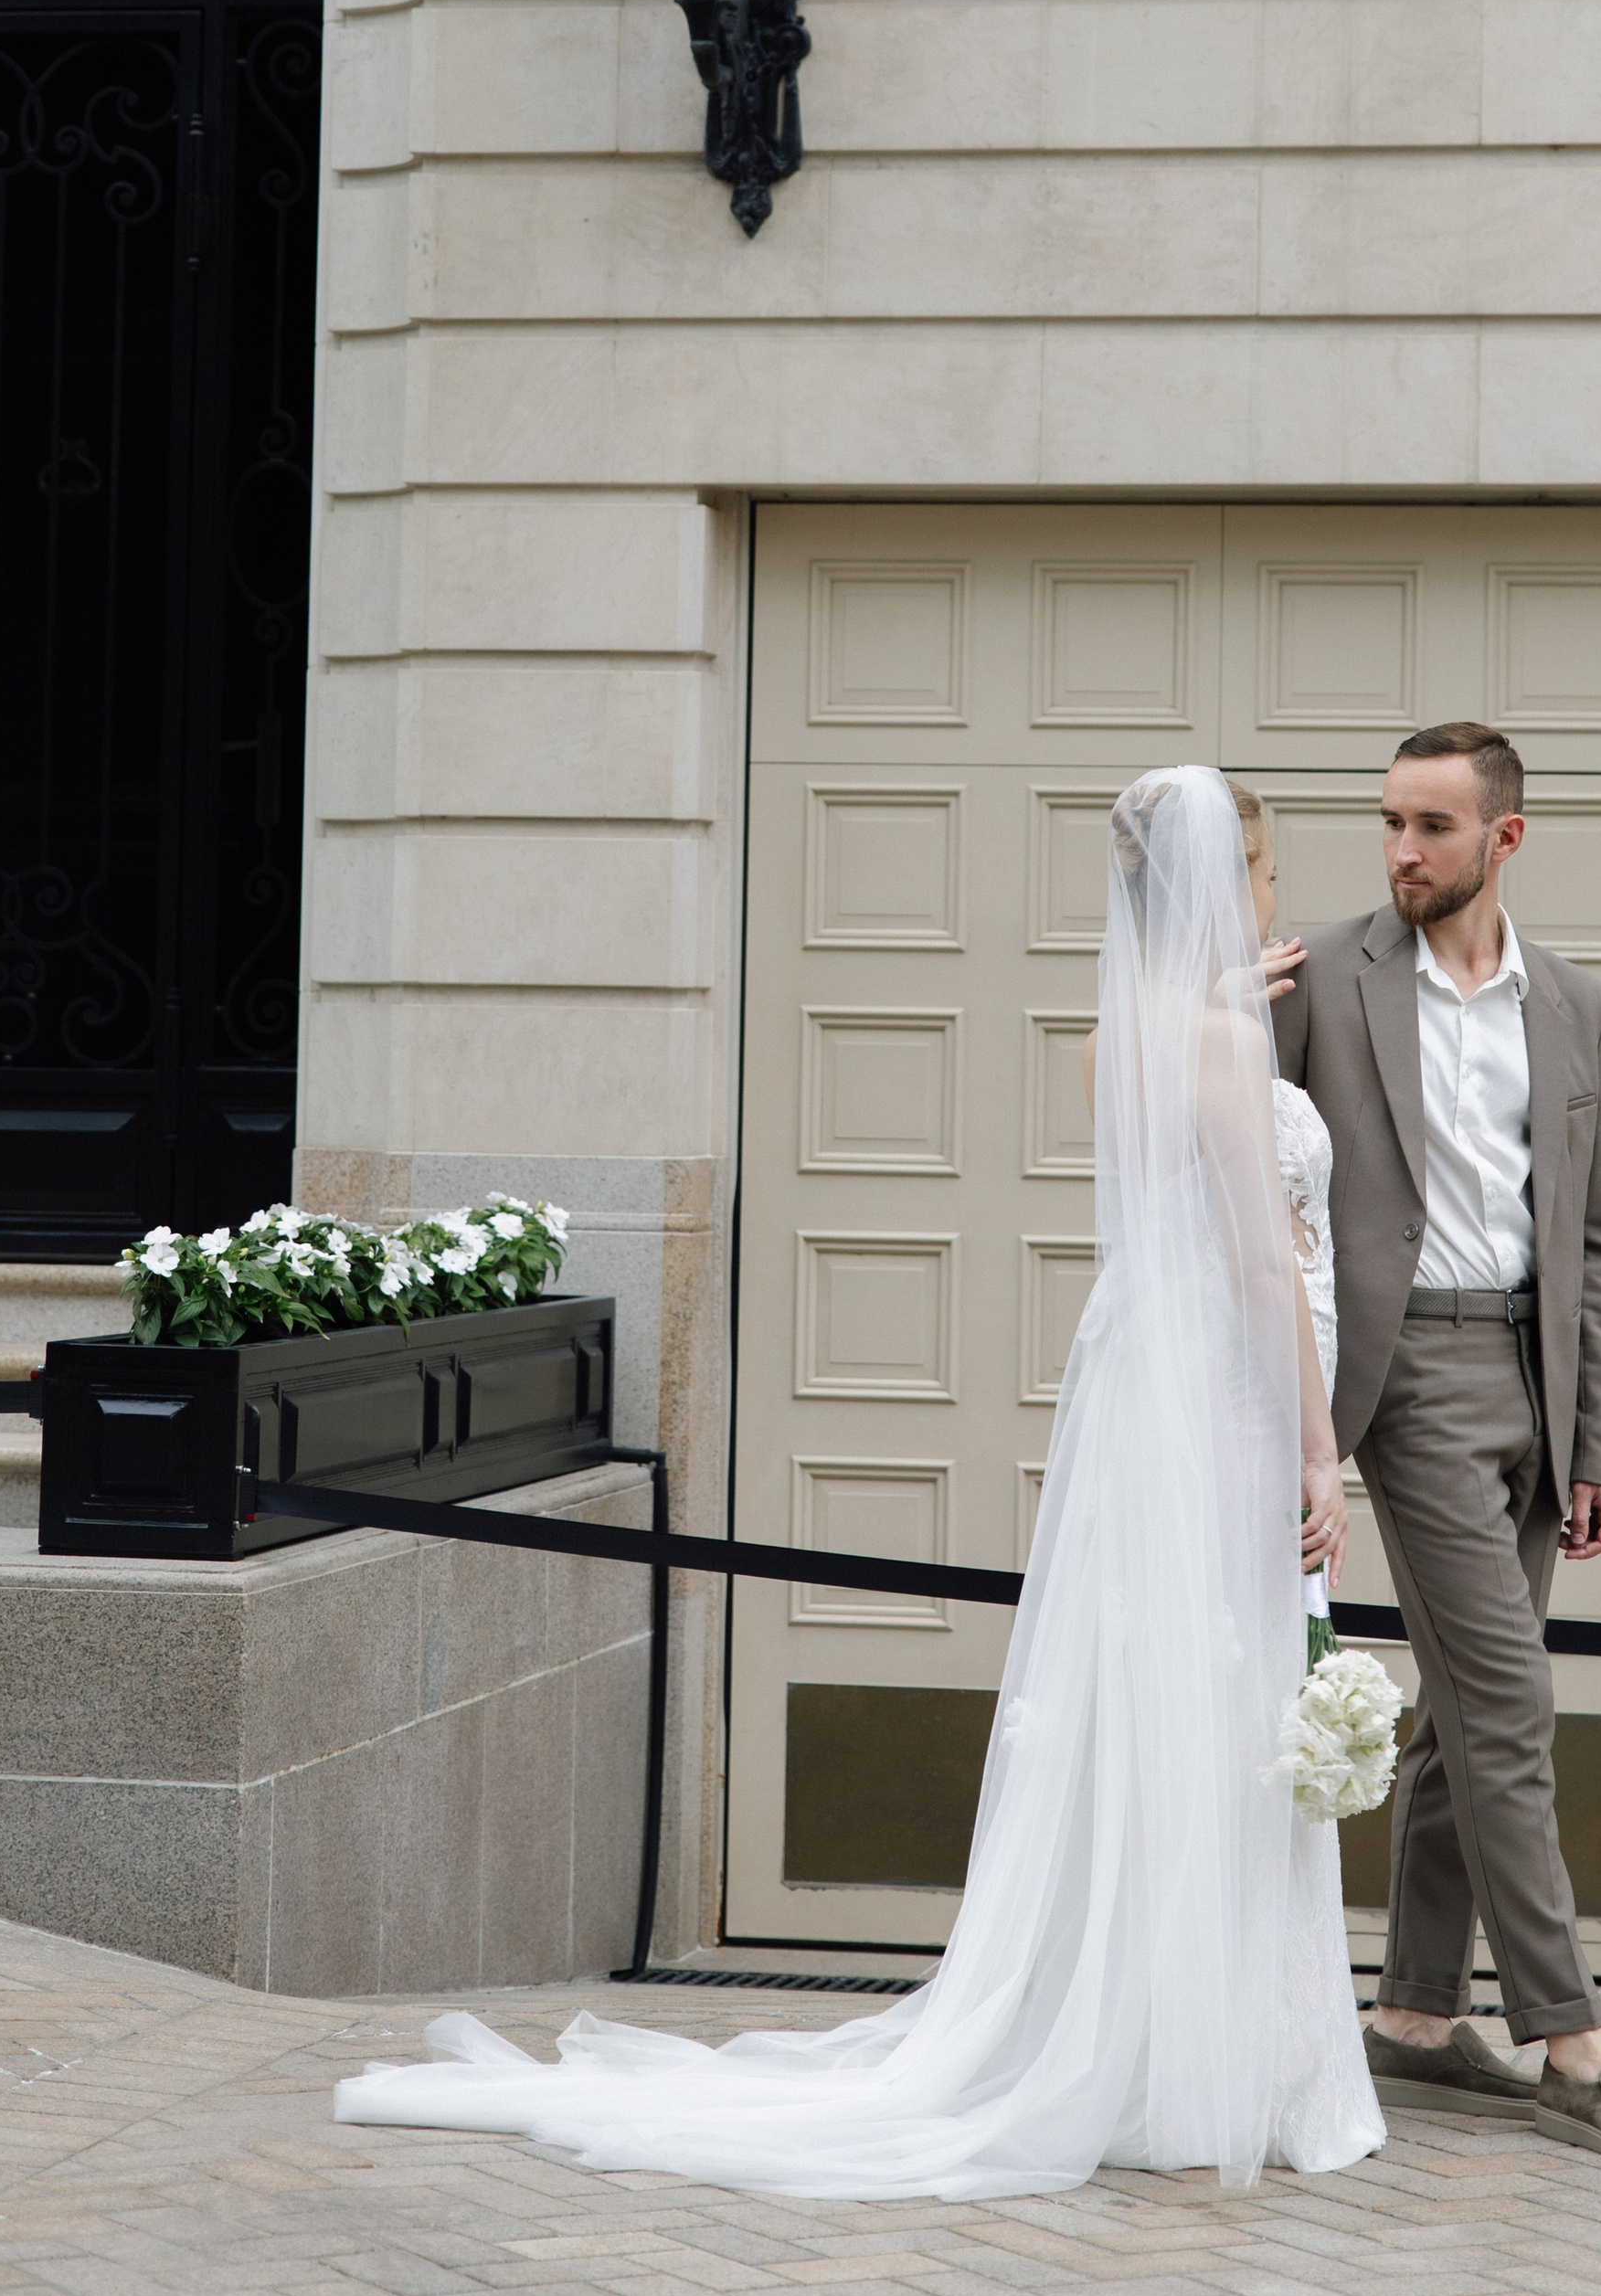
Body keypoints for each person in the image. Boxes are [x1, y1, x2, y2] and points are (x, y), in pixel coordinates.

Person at [333, 764, 1381, 2200]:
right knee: (1218, 1698)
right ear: (1223, 883)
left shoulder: (1126, 1031)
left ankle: (1145, 2036)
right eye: (1260, 873)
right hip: (1224, 1400)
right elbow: (1265, 1261)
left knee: (1154, 1698)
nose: (1276, 901)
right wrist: (1321, 1444)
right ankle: (1209, 2057)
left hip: (1144, 1382)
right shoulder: (1215, 1042)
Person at [1270, 719, 1601, 2165]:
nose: (1402, 852)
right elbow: (1196, 1121)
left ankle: (1408, 2016)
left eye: (1432, 828)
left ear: (1504, 838)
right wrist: (1200, 1002)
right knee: (1509, 1700)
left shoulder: (1576, 1008)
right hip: (1403, 1382)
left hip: (1537, 1371)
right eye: (1390, 823)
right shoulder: (1324, 978)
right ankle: (1575, 2043)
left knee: (1467, 1711)